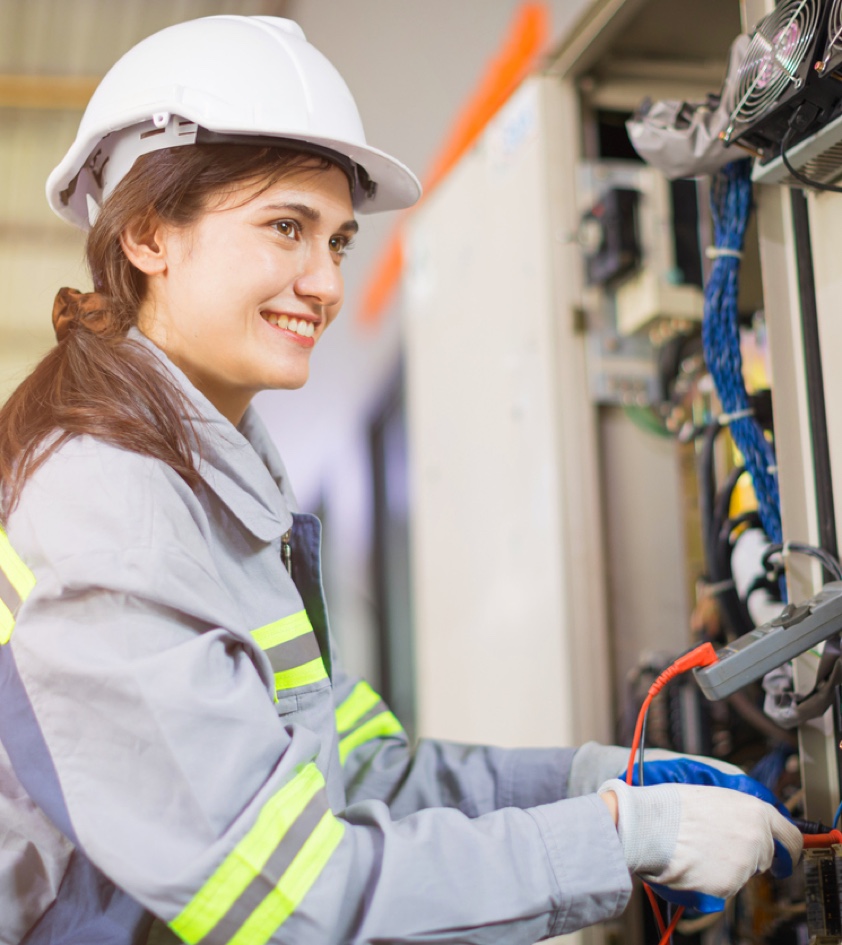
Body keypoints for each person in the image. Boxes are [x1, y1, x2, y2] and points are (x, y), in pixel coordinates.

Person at [0, 15, 802, 945]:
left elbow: (359, 771)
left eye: (336, 241)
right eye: (285, 228)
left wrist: (583, 781)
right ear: (147, 236)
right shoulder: (110, 508)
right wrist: (613, 839)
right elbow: (292, 902)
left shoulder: (212, 469)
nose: (327, 282)